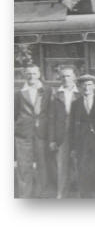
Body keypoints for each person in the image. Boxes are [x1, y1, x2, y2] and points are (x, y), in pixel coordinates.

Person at [14, 64, 52, 198]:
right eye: (29, 73)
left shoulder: (47, 91)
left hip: (42, 133)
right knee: (24, 167)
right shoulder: (18, 93)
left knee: (43, 165)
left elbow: (49, 112)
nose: (31, 76)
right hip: (23, 134)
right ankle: (25, 196)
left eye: (34, 73)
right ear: (25, 75)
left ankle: (42, 195)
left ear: (39, 74)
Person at [48, 66, 80, 198]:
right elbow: (51, 118)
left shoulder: (80, 93)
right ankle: (61, 193)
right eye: (63, 76)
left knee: (78, 163)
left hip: (77, 134)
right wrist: (51, 139)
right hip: (61, 134)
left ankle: (80, 193)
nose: (66, 79)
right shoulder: (56, 95)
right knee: (62, 165)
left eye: (68, 76)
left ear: (74, 77)